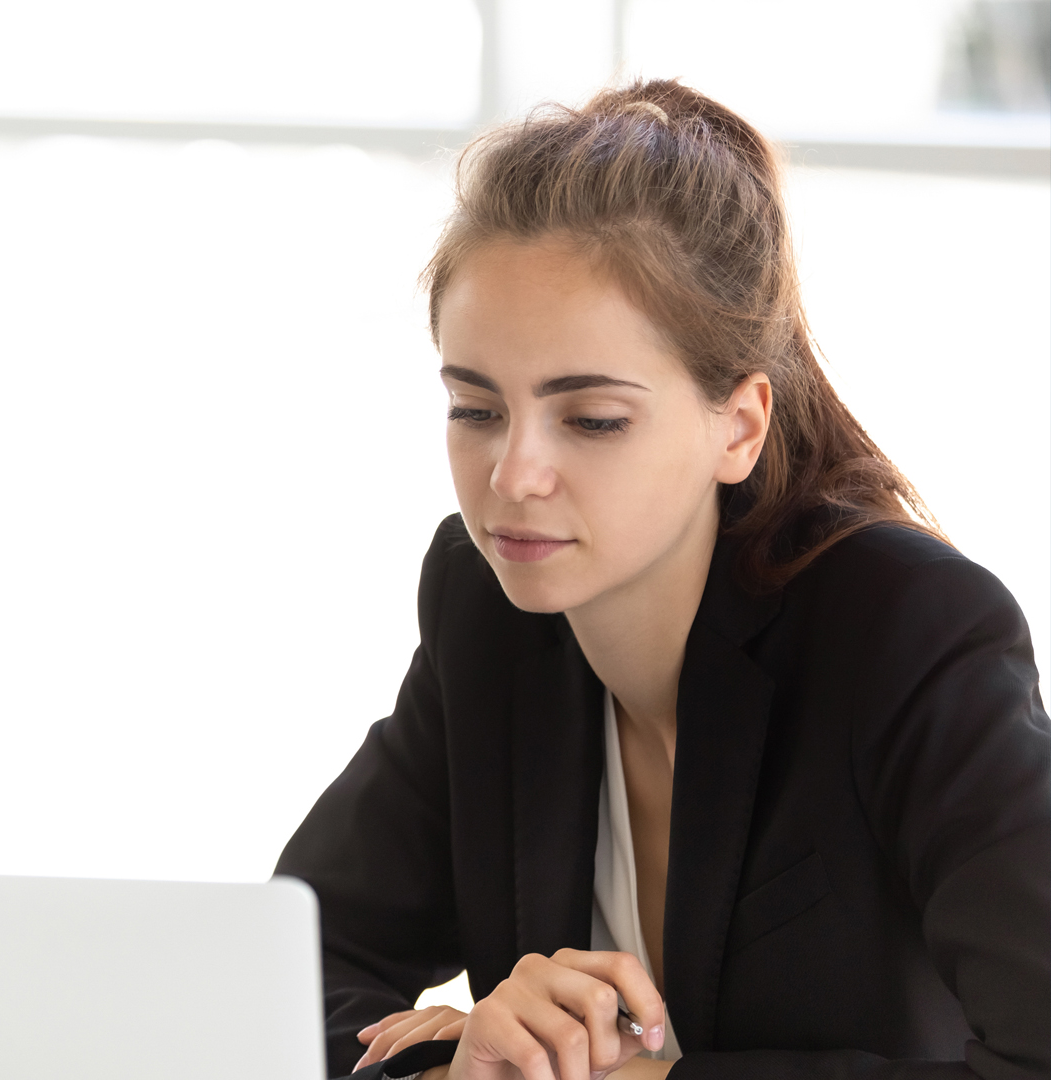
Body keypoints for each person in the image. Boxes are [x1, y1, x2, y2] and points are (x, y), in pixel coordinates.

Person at [275, 81, 1049, 1080]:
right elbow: (288, 969)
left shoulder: (906, 632)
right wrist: (454, 1069)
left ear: (740, 424)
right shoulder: (489, 612)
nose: (512, 476)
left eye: (592, 419)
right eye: (475, 410)